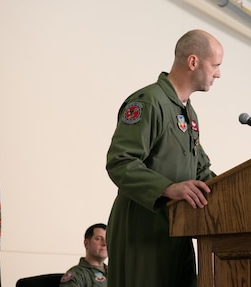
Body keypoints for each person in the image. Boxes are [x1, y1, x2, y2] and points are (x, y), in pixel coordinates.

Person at [105, 29, 223, 287]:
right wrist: (168, 188)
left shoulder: (188, 114)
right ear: (193, 62)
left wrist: (241, 195)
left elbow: (201, 170)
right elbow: (120, 161)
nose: (218, 73)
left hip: (178, 229)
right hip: (142, 229)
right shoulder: (149, 102)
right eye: (215, 65)